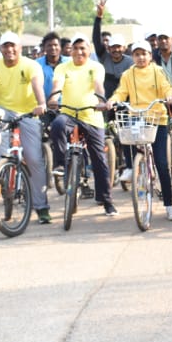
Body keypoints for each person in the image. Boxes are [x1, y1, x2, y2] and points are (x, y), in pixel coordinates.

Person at [0, 32, 49, 222]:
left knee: (34, 160)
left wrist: (41, 105)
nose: (9, 50)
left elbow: (37, 87)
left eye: (13, 46)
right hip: (3, 110)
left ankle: (41, 207)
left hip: (28, 112)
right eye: (5, 46)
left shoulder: (30, 65)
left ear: (20, 48)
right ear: (1, 49)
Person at [108, 40, 172, 220]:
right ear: (132, 57)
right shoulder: (127, 74)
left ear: (150, 56)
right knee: (125, 136)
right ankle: (133, 167)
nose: (140, 57)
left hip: (157, 119)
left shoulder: (158, 71)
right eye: (137, 54)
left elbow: (168, 88)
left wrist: (170, 96)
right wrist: (113, 100)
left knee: (162, 164)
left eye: (144, 54)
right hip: (137, 117)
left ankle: (169, 206)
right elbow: (121, 92)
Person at [47, 35, 114, 216]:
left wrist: (101, 100)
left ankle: (106, 200)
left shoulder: (95, 66)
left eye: (82, 48)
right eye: (75, 48)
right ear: (70, 51)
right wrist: (53, 98)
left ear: (89, 51)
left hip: (91, 115)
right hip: (69, 113)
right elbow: (57, 85)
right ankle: (60, 165)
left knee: (99, 159)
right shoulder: (62, 67)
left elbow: (98, 85)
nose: (79, 52)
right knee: (57, 125)